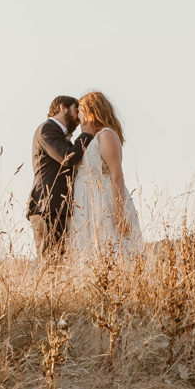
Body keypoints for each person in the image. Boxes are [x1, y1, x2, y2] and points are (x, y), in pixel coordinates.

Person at [68, 91, 142, 261]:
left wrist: (119, 213)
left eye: (80, 110)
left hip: (103, 198)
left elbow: (117, 175)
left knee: (111, 246)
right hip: (85, 202)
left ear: (91, 111)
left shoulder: (106, 135)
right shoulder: (88, 138)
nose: (78, 116)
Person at [27, 95, 94, 261]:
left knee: (60, 264)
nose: (79, 117)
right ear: (62, 107)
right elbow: (67, 158)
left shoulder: (61, 135)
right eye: (76, 109)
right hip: (47, 207)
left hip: (58, 207)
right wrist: (86, 134)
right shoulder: (47, 129)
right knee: (50, 264)